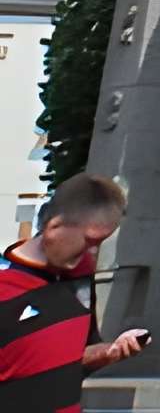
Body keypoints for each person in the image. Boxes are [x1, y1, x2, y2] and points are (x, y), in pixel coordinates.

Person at [1, 175, 147, 413]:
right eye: (89, 240)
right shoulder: (5, 284)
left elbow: (73, 358)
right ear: (54, 227)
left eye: (101, 242)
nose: (94, 250)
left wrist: (110, 352)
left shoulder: (80, 278)